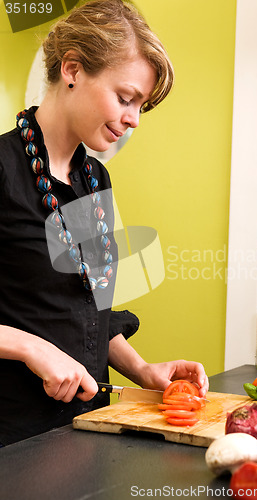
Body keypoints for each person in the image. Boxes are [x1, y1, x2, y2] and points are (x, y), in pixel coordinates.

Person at [0, 0, 208, 446]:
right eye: (125, 98)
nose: (133, 119)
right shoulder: (1, 169)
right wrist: (31, 347)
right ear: (72, 69)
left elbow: (89, 311)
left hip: (85, 429)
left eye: (140, 106)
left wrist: (142, 370)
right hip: (12, 440)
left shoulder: (95, 180)